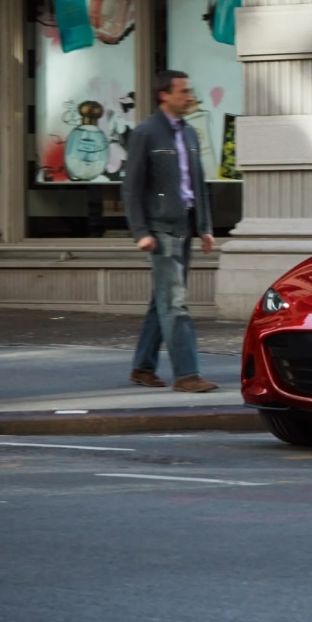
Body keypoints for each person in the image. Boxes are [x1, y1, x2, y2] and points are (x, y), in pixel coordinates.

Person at [123, 70, 217, 392]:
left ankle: (142, 367)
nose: (189, 96)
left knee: (162, 300)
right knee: (175, 302)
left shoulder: (190, 133)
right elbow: (132, 188)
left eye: (189, 91)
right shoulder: (145, 133)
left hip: (186, 226)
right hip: (160, 230)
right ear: (164, 94)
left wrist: (204, 227)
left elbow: (198, 184)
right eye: (183, 91)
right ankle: (187, 375)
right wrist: (140, 232)